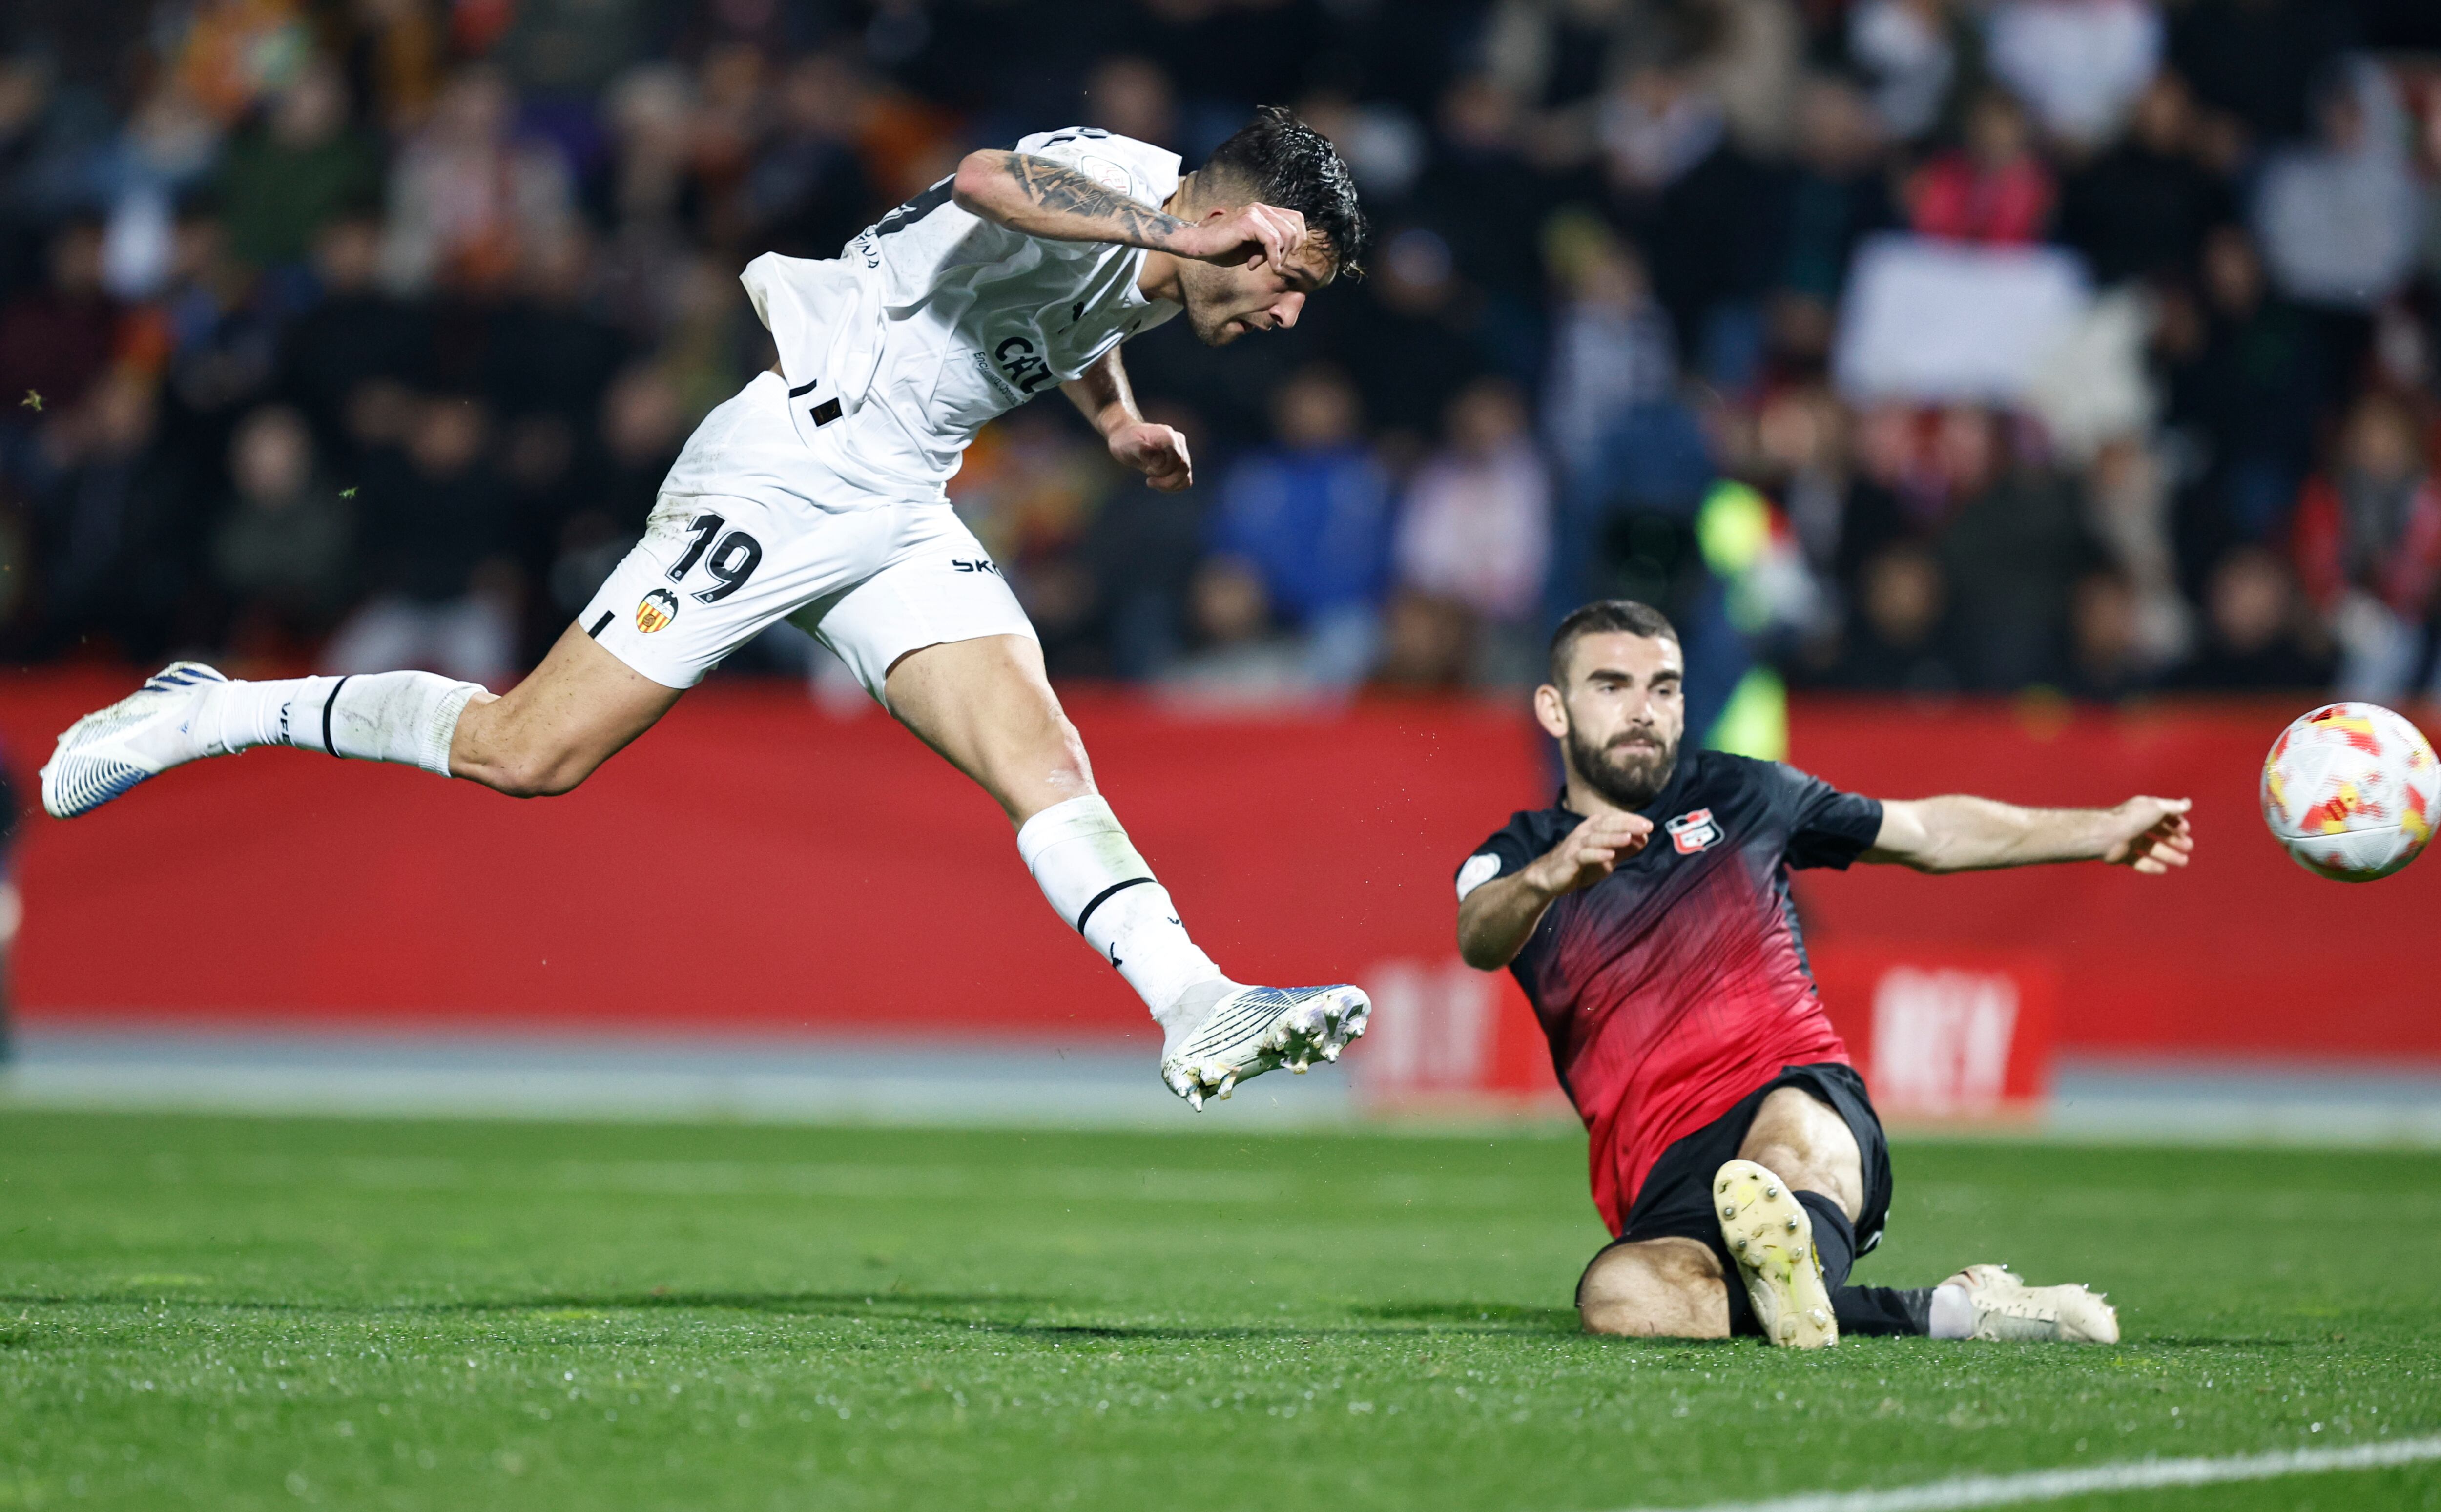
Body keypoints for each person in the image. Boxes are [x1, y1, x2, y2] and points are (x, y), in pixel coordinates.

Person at [42, 110, 1374, 1108]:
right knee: (529, 751)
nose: (1289, 306)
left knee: (1043, 756)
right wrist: (1177, 231)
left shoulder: (1153, 250)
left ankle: (1195, 999)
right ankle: (213, 705)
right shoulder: (1130, 185)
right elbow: (990, 182)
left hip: (898, 502)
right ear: (1223, 210)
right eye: (1282, 267)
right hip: (794, 461)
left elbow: (1074, 313)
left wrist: (1122, 421)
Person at [1454, 600, 2194, 1347]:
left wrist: (2102, 828)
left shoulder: (1745, 796)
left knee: (1785, 1156)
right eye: (1613, 686)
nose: (1644, 710)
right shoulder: (1520, 855)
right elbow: (1479, 934)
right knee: (1622, 1300)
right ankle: (1953, 1310)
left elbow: (1927, 832)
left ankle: (1796, 1249)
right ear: (1554, 707)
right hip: (1660, 1168)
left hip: (1791, 1088)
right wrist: (1551, 874)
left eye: (1665, 688)